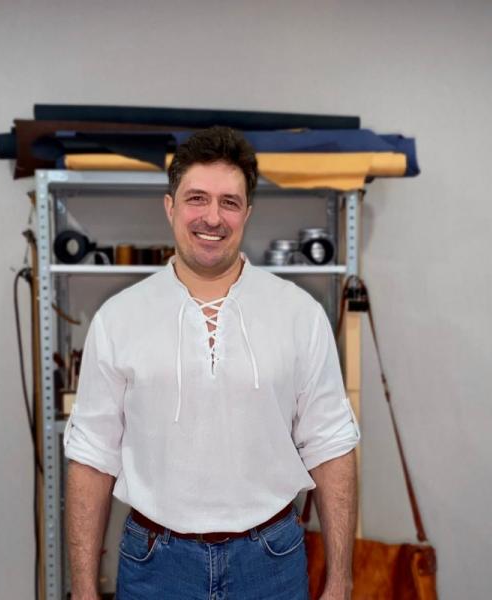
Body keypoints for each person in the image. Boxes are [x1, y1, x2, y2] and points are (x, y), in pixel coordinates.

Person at [64, 126, 360, 600]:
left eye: (229, 202)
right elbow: (91, 458)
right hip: (156, 564)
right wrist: (82, 589)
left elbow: (331, 445)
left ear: (247, 212)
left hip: (271, 561)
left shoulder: (299, 313)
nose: (213, 217)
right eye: (197, 198)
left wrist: (341, 580)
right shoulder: (118, 319)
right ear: (170, 207)